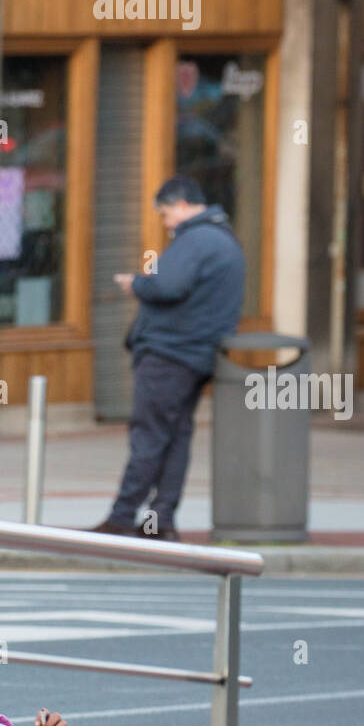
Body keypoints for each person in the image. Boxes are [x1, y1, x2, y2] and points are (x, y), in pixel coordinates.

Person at [91, 175, 245, 541]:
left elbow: (167, 285)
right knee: (175, 438)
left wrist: (137, 283)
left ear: (180, 204)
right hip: (197, 356)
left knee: (149, 436)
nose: (165, 223)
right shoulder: (223, 239)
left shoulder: (197, 239)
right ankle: (160, 521)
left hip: (170, 354)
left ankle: (123, 518)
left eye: (164, 214)